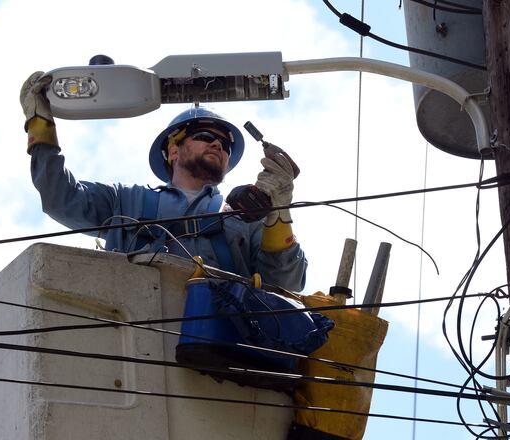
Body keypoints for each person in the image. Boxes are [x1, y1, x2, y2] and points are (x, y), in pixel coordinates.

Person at [21, 71, 307, 292]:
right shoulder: (126, 201)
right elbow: (60, 198)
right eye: (206, 137)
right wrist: (39, 127)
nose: (218, 146)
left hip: (224, 343)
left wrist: (279, 212)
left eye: (225, 145)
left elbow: (287, 283)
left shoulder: (247, 218)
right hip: (140, 337)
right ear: (173, 150)